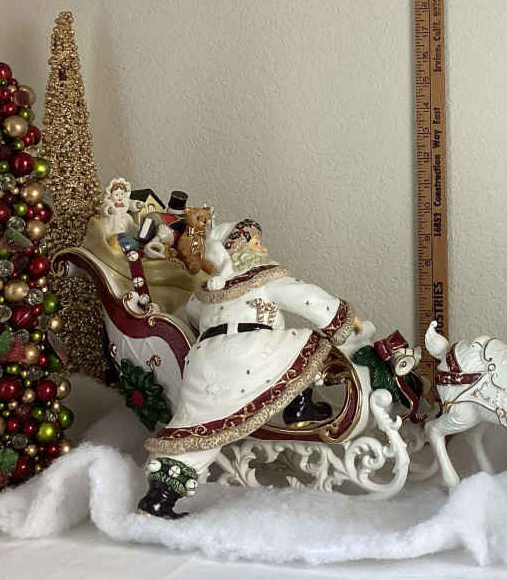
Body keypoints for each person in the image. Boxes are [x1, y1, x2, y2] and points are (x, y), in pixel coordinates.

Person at [135, 219, 359, 518]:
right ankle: (299, 407)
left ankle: (158, 499)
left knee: (195, 428)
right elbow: (306, 298)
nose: (262, 247)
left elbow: (191, 314)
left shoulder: (208, 291)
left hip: (203, 360)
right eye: (255, 242)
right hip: (248, 351)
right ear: (238, 249)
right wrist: (343, 320)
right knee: (309, 342)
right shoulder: (263, 278)